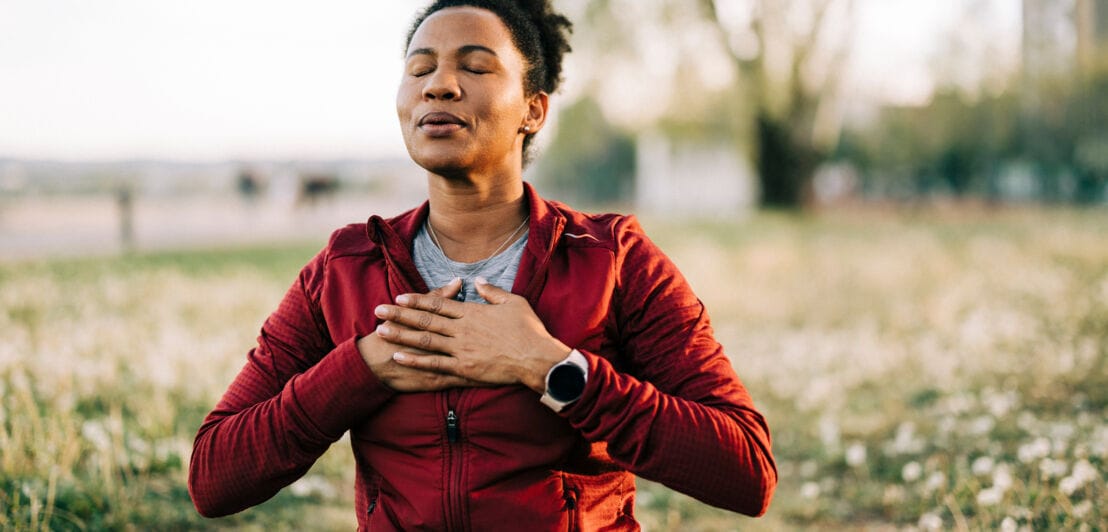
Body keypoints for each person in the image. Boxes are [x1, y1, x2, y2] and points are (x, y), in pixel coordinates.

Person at [188, 0, 777, 529]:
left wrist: (549, 367)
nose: (439, 85)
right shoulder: (344, 269)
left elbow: (747, 470)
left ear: (533, 110)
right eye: (420, 69)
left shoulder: (612, 260)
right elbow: (213, 479)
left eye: (474, 67)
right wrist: (361, 369)